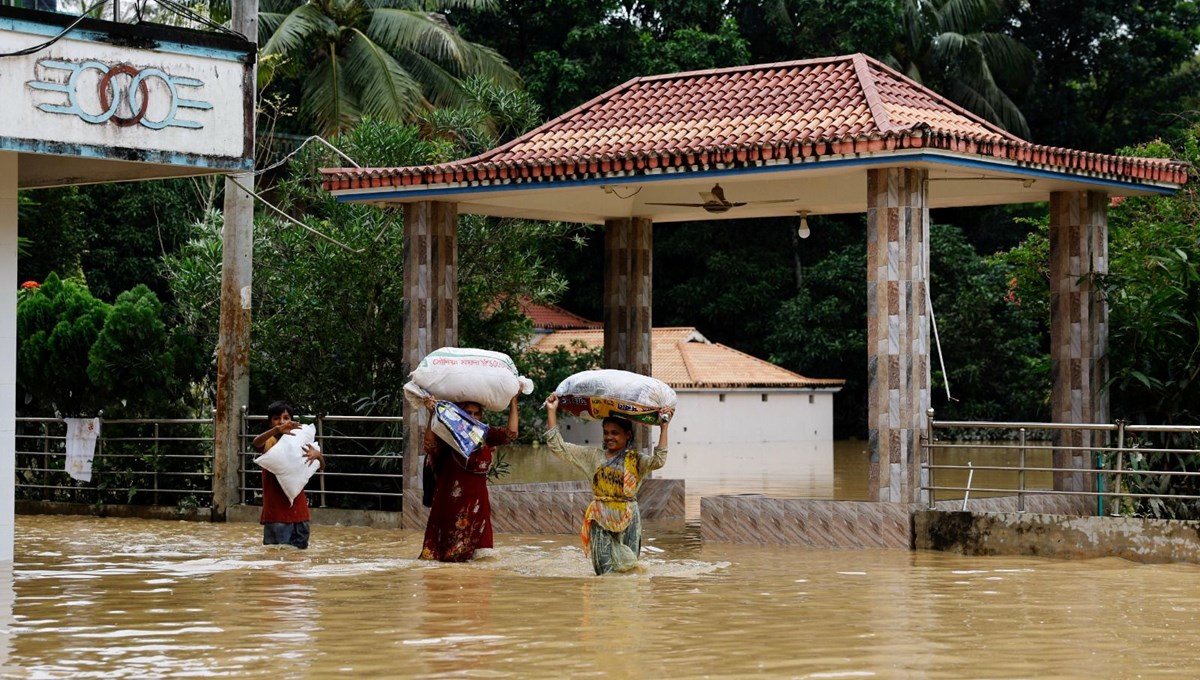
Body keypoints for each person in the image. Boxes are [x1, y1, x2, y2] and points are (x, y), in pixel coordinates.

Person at [543, 394, 675, 575]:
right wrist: (552, 411)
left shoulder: (636, 460)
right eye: (606, 433)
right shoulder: (593, 457)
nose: (609, 437)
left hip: (629, 517)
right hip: (600, 517)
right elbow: (559, 447)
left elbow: (659, 460)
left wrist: (664, 427)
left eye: (615, 433)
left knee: (629, 569)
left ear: (627, 435)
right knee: (604, 573)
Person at [419, 395, 518, 562]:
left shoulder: (485, 434)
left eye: (476, 413)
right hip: (451, 506)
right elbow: (429, 444)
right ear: (459, 414)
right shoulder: (449, 437)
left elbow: (511, 434)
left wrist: (514, 401)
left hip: (479, 506)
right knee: (448, 559)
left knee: (481, 560)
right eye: (468, 413)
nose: (472, 417)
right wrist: (432, 414)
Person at [252, 401, 325, 549]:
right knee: (276, 559)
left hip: (300, 515)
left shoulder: (299, 440)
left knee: (298, 560)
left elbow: (322, 467)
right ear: (270, 423)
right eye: (276, 418)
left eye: (286, 418)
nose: (282, 422)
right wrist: (277, 430)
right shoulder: (270, 442)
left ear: (292, 420)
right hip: (277, 515)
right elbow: (256, 442)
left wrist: (318, 456)